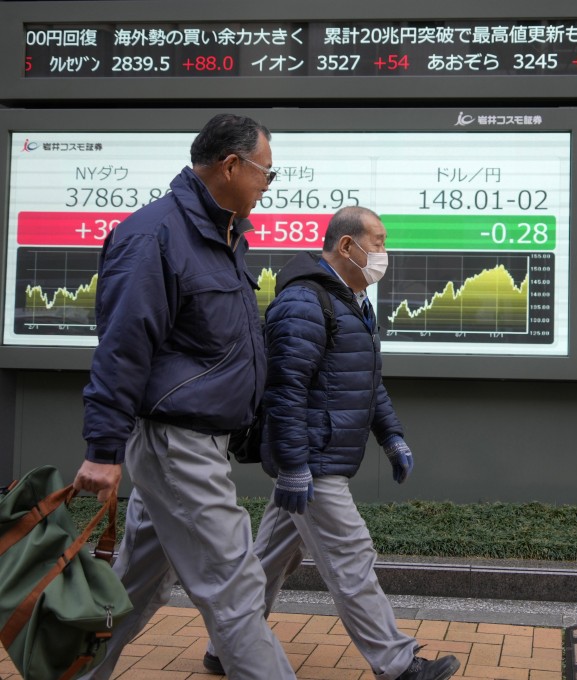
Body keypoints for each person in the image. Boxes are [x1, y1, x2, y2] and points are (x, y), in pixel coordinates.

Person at [72, 113, 297, 680]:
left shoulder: (222, 236)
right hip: (178, 446)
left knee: (131, 588)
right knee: (235, 585)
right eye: (266, 174)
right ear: (230, 165)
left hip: (196, 444)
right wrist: (102, 450)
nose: (268, 187)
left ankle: (67, 671)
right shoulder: (155, 235)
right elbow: (123, 347)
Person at [204, 206, 461, 680]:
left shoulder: (351, 301)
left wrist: (392, 436)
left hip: (315, 456)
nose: (385, 254)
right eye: (378, 242)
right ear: (347, 246)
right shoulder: (305, 302)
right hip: (313, 460)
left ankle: (225, 645)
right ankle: (399, 663)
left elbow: (366, 382)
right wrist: (295, 465)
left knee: (271, 558)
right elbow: (284, 391)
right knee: (351, 557)